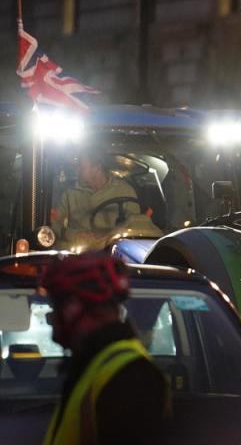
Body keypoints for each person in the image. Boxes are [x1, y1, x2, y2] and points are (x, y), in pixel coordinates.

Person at [40, 253, 170, 445]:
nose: (50, 318)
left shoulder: (130, 378)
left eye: (56, 306)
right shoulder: (95, 364)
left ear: (74, 307)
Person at [53, 150, 140, 248]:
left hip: (113, 250)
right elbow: (53, 223)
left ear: (97, 168)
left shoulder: (124, 190)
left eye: (81, 167)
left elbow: (135, 224)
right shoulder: (69, 193)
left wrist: (110, 236)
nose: (77, 170)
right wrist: (74, 235)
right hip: (78, 253)